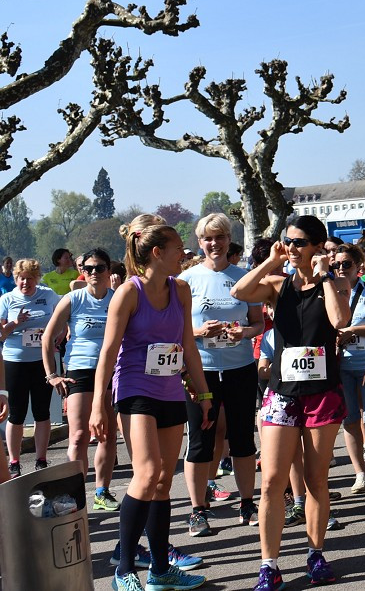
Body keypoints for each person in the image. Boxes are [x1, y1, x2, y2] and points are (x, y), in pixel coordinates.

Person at [89, 215, 212, 591]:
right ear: (157, 253)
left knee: (162, 482)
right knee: (145, 474)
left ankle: (161, 570)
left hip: (171, 391)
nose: (184, 254)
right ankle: (124, 568)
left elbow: (188, 346)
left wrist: (203, 394)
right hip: (134, 389)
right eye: (178, 249)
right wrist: (98, 405)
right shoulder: (129, 292)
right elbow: (107, 353)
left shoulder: (182, 290)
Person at [231, 215, 352, 589]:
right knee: (271, 482)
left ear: (318, 246)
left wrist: (325, 275)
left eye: (299, 242)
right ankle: (269, 565)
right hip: (282, 395)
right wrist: (271, 260)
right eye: (289, 241)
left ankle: (316, 554)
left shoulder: (337, 283)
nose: (293, 248)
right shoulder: (277, 285)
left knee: (316, 479)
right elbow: (239, 292)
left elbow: (340, 320)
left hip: (322, 395)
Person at [179, 213, 264, 534]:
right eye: (208, 239)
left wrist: (244, 333)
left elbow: (258, 323)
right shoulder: (188, 280)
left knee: (242, 438)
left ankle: (246, 503)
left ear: (229, 240)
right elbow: (178, 327)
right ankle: (198, 509)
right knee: (200, 441)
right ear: (199, 243)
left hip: (240, 368)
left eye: (220, 237)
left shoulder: (245, 277)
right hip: (202, 371)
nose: (214, 244)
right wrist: (200, 331)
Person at [41, 249, 121, 510]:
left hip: (112, 370)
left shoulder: (118, 299)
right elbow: (47, 337)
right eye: (88, 269)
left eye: (99, 268)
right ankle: (74, 495)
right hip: (80, 369)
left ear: (109, 270)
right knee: (78, 436)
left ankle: (102, 491)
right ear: (82, 272)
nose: (94, 273)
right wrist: (52, 375)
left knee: (107, 435)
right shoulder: (73, 299)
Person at [0, 258, 61, 477]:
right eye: (21, 279)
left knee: (41, 411)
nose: (25, 283)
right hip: (15, 360)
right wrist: (16, 323)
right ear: (15, 278)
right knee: (16, 414)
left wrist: (56, 338)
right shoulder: (7, 299)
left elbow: (64, 317)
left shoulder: (47, 295)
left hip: (42, 361)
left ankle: (41, 459)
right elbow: (1, 334)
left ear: (37, 278)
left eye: (29, 279)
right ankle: (14, 461)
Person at [333, 243, 365, 493]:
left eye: (346, 264)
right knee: (350, 420)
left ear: (358, 266)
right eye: (336, 264)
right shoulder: (327, 290)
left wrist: (351, 331)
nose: (340, 269)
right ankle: (360, 473)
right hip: (342, 365)